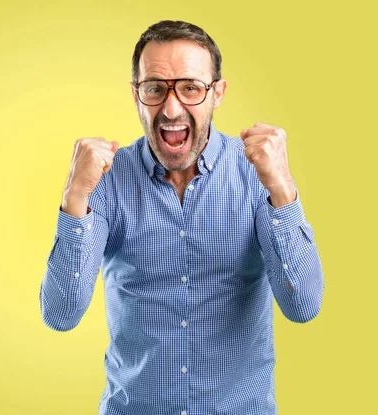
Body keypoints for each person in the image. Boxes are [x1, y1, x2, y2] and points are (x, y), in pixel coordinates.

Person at [39, 20, 324, 415]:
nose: (171, 108)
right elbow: (60, 315)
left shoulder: (257, 175)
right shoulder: (104, 181)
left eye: (190, 87)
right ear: (137, 95)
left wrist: (283, 190)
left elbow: (304, 306)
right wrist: (74, 197)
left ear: (217, 93)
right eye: (155, 88)